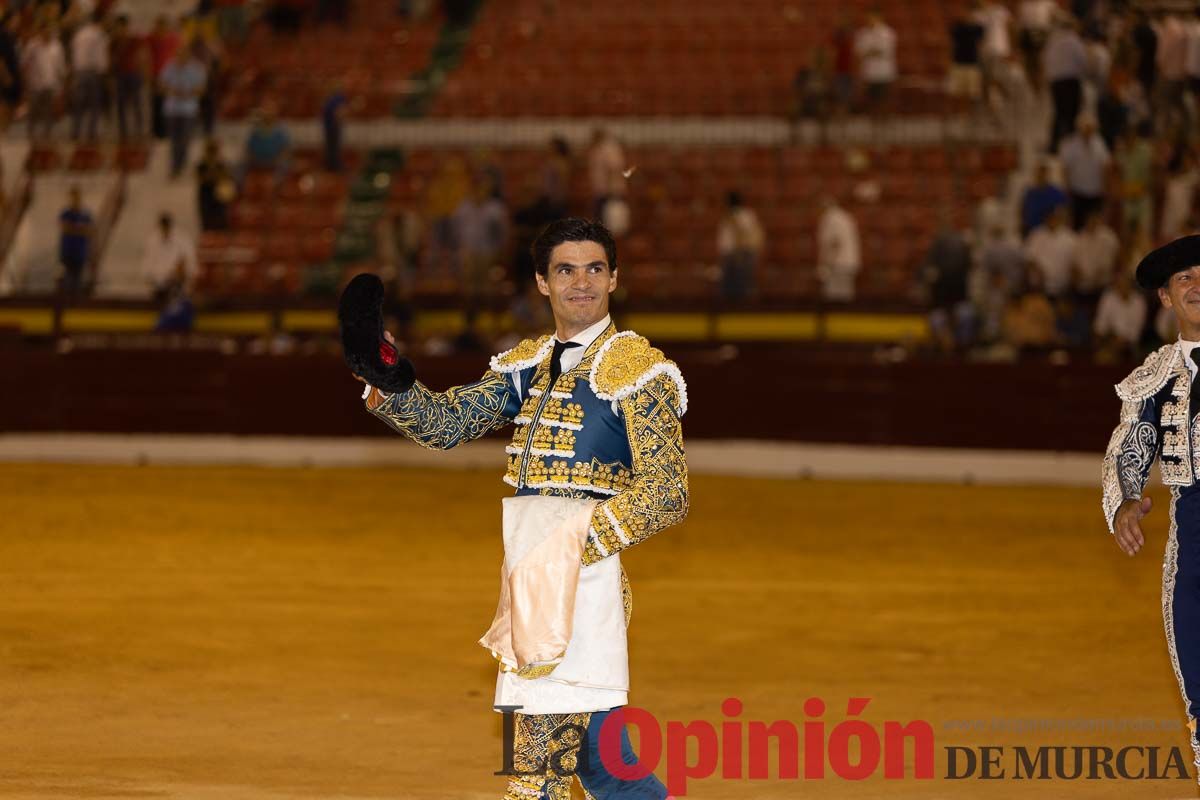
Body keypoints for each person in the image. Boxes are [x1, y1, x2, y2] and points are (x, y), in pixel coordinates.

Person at [349, 217, 687, 799]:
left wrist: (569, 550)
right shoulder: (528, 364)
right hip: (531, 582)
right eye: (565, 270)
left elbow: (666, 490)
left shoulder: (637, 369)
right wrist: (387, 378)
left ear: (613, 280)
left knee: (536, 779)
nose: (581, 282)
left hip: (580, 586)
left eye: (594, 269)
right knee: (605, 766)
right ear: (541, 282)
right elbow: (447, 424)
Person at [1101, 234, 1200, 783]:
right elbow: (1129, 443)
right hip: (1193, 552)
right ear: (1165, 298)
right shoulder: (1156, 376)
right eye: (1184, 278)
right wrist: (1125, 502)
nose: (1197, 286)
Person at [159, 42, 207, 177]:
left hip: (189, 109)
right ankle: (175, 167)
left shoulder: (197, 68)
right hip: (172, 109)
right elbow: (162, 84)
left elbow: (202, 89)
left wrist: (188, 93)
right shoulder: (169, 66)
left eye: (183, 53)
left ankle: (181, 162)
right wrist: (173, 91)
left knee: (185, 139)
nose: (180, 56)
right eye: (178, 54)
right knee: (174, 140)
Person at [1058, 112, 1110, 229]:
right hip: (1077, 191)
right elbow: (1065, 169)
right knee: (1078, 226)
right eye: (1086, 127)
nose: (1088, 130)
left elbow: (1105, 167)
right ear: (1080, 127)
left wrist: (1105, 189)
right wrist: (1067, 189)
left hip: (1095, 192)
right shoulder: (1070, 144)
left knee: (1095, 226)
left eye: (1091, 128)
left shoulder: (1099, 143)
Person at [1043, 16, 1088, 152]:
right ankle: (1072, 144)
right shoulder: (1074, 40)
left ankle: (1054, 144)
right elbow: (1082, 60)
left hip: (1056, 82)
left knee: (1059, 112)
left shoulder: (1053, 41)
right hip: (1071, 81)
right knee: (1072, 113)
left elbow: (1046, 61)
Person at [717, 190, 765, 303]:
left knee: (739, 287)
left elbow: (743, 235)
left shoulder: (742, 215)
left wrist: (739, 253)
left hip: (739, 254)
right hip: (733, 254)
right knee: (732, 287)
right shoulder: (737, 215)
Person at [22, 23, 66, 142]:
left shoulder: (57, 46)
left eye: (48, 30)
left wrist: (62, 84)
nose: (46, 33)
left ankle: (47, 135)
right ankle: (30, 134)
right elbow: (25, 64)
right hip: (35, 84)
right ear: (40, 31)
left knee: (48, 112)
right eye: (44, 30)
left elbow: (61, 66)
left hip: (51, 83)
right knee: (33, 111)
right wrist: (26, 83)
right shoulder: (32, 45)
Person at [68, 10, 107, 142]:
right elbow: (100, 55)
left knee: (79, 103)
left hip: (79, 71)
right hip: (93, 71)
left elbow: (73, 52)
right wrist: (103, 70)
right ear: (99, 21)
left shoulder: (79, 34)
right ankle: (92, 132)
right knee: (94, 103)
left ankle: (75, 131)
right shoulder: (99, 34)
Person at [140, 212, 197, 302]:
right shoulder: (152, 241)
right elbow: (146, 270)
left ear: (170, 226)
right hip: (158, 291)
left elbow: (191, 268)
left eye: (166, 227)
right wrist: (157, 278)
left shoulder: (183, 240)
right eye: (163, 228)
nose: (164, 230)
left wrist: (180, 273)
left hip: (180, 290)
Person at [111, 14, 148, 141]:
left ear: (126, 26)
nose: (120, 30)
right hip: (120, 75)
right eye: (118, 27)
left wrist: (143, 73)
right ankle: (124, 133)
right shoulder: (114, 41)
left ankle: (139, 131)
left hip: (134, 74)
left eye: (122, 27)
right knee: (121, 105)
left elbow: (142, 56)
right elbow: (112, 60)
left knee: (136, 104)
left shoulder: (134, 40)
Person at [816, 195, 861, 302]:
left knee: (835, 299)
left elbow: (834, 243)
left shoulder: (830, 218)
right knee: (845, 296)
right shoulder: (845, 216)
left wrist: (826, 265)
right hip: (849, 263)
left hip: (838, 265)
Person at [1093, 271, 1146, 359]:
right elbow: (1100, 324)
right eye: (1118, 282)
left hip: (1131, 344)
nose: (1121, 285)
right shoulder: (1108, 297)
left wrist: (1121, 339)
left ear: (1130, 283)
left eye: (1125, 282)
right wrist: (1104, 338)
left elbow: (1136, 331)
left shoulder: (1139, 302)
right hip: (1109, 339)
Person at [854, 10, 897, 115]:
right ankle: (874, 121)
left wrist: (869, 52)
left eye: (873, 18)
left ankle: (884, 120)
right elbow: (859, 51)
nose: (871, 20)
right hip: (869, 72)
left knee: (884, 98)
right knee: (871, 99)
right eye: (869, 18)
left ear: (879, 18)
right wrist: (872, 51)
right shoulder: (862, 33)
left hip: (884, 72)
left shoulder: (887, 33)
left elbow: (884, 50)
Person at [58, 185, 93, 295]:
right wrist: (79, 229)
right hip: (68, 252)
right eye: (73, 197)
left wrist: (74, 228)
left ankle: (76, 300)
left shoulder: (85, 214)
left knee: (78, 279)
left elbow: (89, 231)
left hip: (80, 252)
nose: (75, 199)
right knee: (68, 278)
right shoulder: (66, 213)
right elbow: (65, 228)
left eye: (77, 197)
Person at [1020, 161, 1067, 236]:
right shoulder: (1030, 193)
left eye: (1043, 174)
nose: (1041, 176)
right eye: (1039, 173)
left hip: (1047, 233)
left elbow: (1063, 211)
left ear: (1047, 175)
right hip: (1030, 231)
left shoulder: (1055, 193)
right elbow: (1023, 210)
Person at [196, 138, 233, 231]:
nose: (212, 154)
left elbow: (226, 177)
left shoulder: (221, 164)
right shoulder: (202, 165)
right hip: (205, 193)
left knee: (220, 218)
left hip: (218, 193)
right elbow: (200, 178)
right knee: (206, 219)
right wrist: (211, 172)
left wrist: (216, 171)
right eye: (210, 151)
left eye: (214, 151)